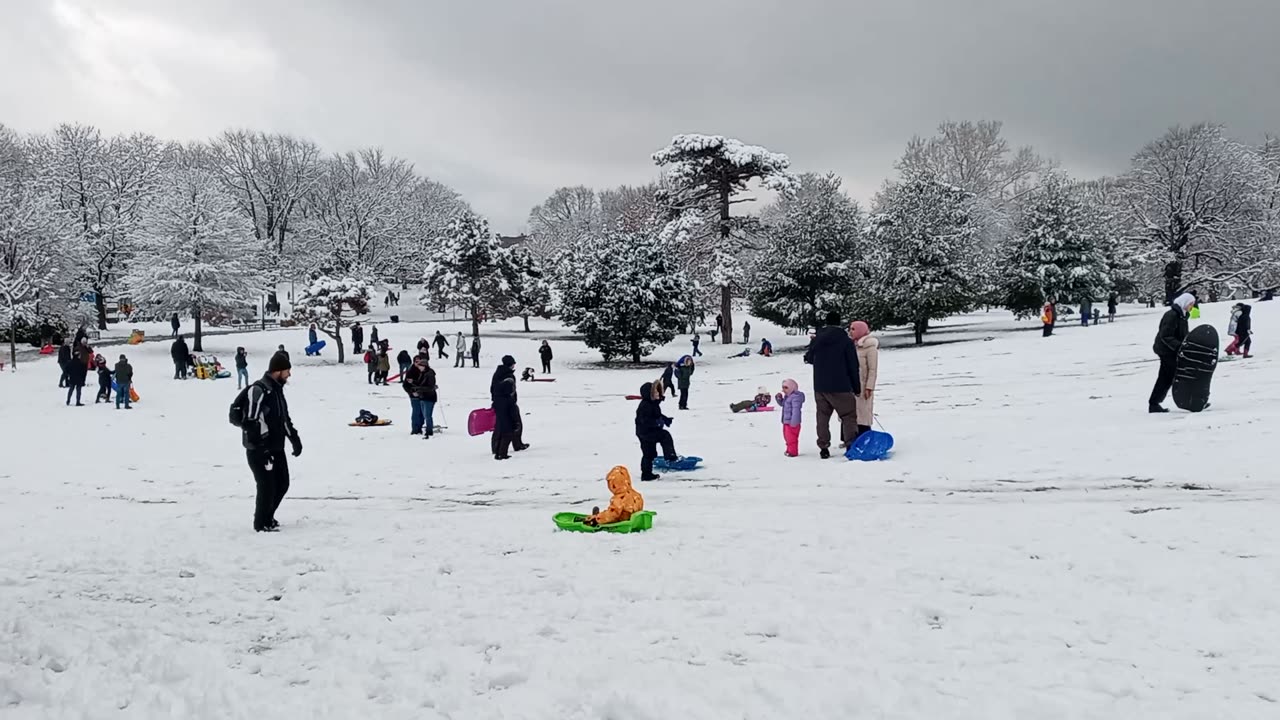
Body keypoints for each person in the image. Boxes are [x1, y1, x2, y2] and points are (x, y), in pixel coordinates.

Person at [240, 351, 302, 532]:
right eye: (287, 370)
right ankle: (261, 523)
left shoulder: (277, 390)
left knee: (282, 483)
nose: (289, 374)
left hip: (276, 446)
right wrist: (260, 447)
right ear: (278, 371)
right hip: (259, 448)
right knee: (266, 486)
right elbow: (250, 422)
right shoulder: (259, 390)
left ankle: (268, 516)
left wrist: (294, 439)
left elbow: (284, 419)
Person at [803, 311, 861, 459]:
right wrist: (856, 387)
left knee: (822, 417)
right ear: (839, 322)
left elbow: (808, 358)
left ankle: (823, 447)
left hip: (821, 385)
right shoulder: (846, 341)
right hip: (841, 385)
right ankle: (850, 445)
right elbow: (853, 366)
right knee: (848, 416)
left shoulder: (818, 339)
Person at [1149, 293, 1195, 413]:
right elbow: (1166, 335)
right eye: (1191, 304)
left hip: (1172, 350)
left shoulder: (1183, 315)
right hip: (1166, 351)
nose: (1192, 307)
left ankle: (1154, 403)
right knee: (1172, 376)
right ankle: (1191, 400)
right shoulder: (1172, 315)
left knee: (1168, 377)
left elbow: (1183, 333)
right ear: (1185, 303)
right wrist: (1179, 346)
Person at [635, 381, 678, 481]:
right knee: (664, 436)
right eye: (655, 393)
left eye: (658, 392)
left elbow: (657, 415)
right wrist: (656, 422)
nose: (658, 394)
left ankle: (646, 475)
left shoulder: (653, 404)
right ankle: (670, 456)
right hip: (645, 432)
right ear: (649, 394)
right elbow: (644, 421)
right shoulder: (645, 406)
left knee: (649, 454)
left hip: (648, 431)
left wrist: (665, 419)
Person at [490, 355, 529, 455]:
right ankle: (515, 445)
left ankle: (497, 447)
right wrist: (511, 402)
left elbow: (492, 388)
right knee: (514, 424)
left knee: (501, 425)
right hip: (508, 403)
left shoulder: (498, 373)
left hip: (499, 403)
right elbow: (509, 391)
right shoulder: (508, 375)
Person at [850, 321, 879, 439]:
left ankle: (865, 436)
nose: (850, 331)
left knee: (863, 412)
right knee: (851, 412)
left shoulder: (870, 347)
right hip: (852, 384)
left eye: (853, 329)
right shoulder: (851, 345)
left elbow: (873, 369)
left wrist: (869, 387)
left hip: (864, 385)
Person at [402, 354, 438, 437]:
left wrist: (432, 387)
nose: (418, 364)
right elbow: (406, 385)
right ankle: (415, 429)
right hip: (415, 396)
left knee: (423, 414)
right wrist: (412, 392)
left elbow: (427, 384)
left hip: (423, 395)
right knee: (416, 413)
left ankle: (421, 428)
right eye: (416, 362)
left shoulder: (425, 372)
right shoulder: (411, 371)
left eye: (419, 362)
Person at [776, 378, 806, 457]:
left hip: (792, 422)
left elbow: (796, 410)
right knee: (787, 437)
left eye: (786, 387)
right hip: (786, 421)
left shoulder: (795, 397)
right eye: (783, 387)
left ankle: (793, 452)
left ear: (792, 387)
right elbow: (783, 404)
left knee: (791, 438)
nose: (784, 390)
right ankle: (789, 449)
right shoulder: (787, 397)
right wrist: (779, 399)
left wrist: (794, 421)